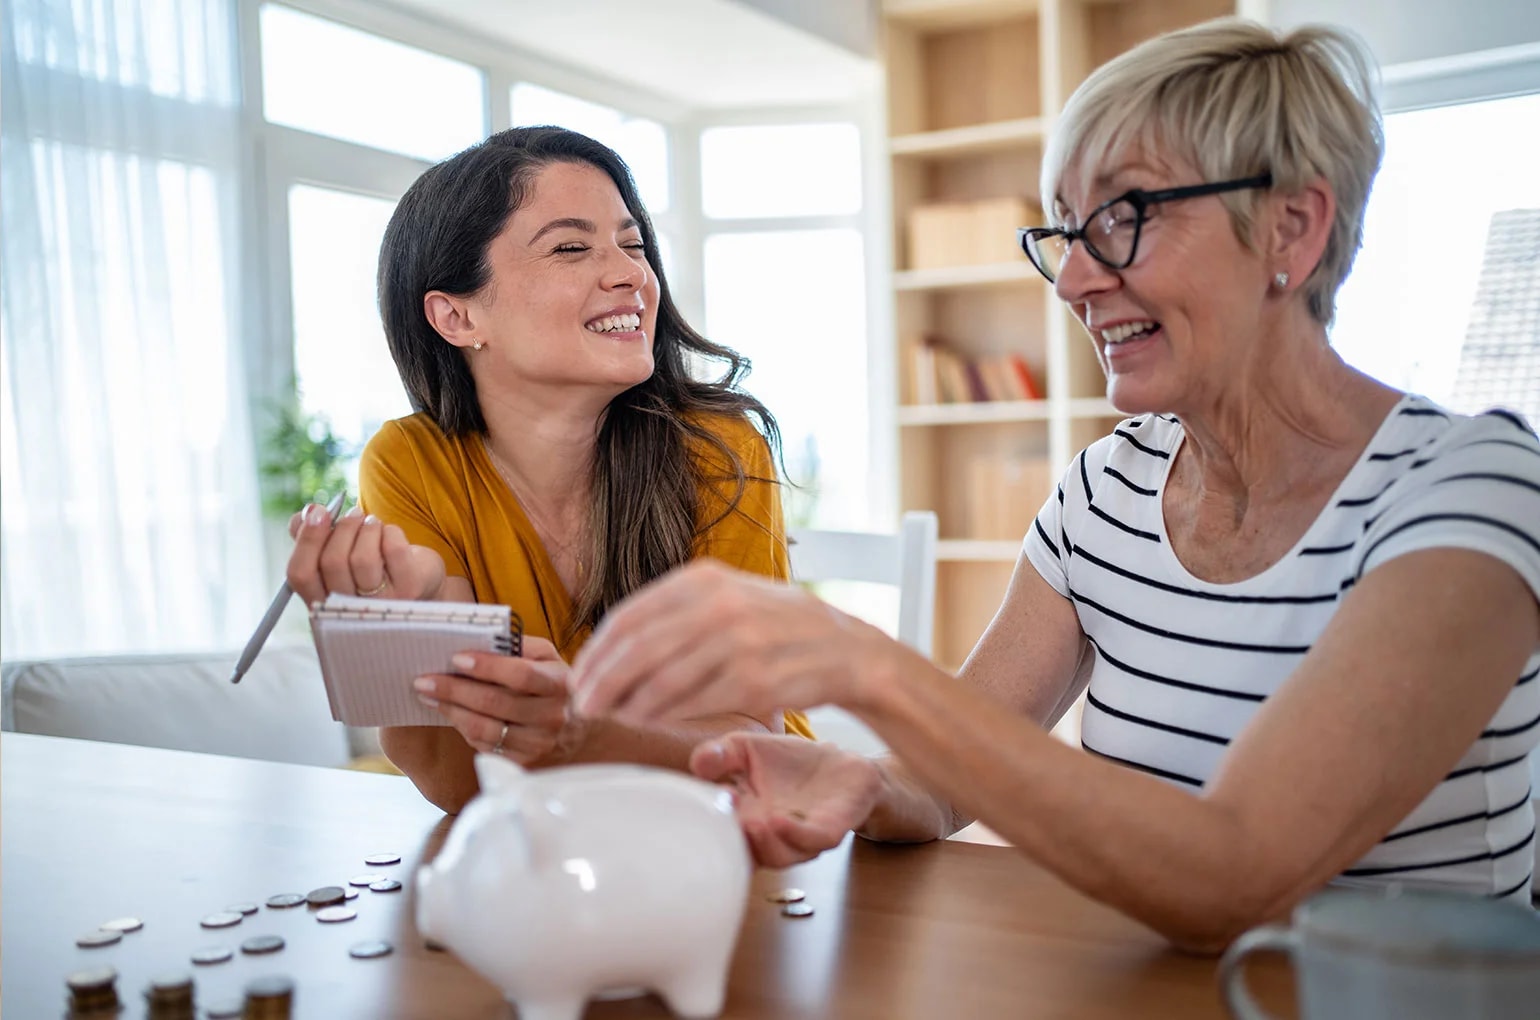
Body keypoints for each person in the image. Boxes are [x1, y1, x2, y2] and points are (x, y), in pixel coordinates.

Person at [567, 20, 1540, 952]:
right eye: (1065, 230)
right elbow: (946, 782)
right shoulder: (1108, 487)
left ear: (1290, 226)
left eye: (1122, 220)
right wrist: (858, 780)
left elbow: (1232, 875)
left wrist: (859, 664)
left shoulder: (1470, 489)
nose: (1072, 279)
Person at [285, 126, 812, 815]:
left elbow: (743, 750)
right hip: (547, 847)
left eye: (632, 244)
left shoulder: (717, 449)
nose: (632, 274)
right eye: (571, 248)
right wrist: (399, 629)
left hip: (762, 836)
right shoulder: (411, 462)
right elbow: (458, 786)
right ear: (456, 315)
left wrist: (574, 733)